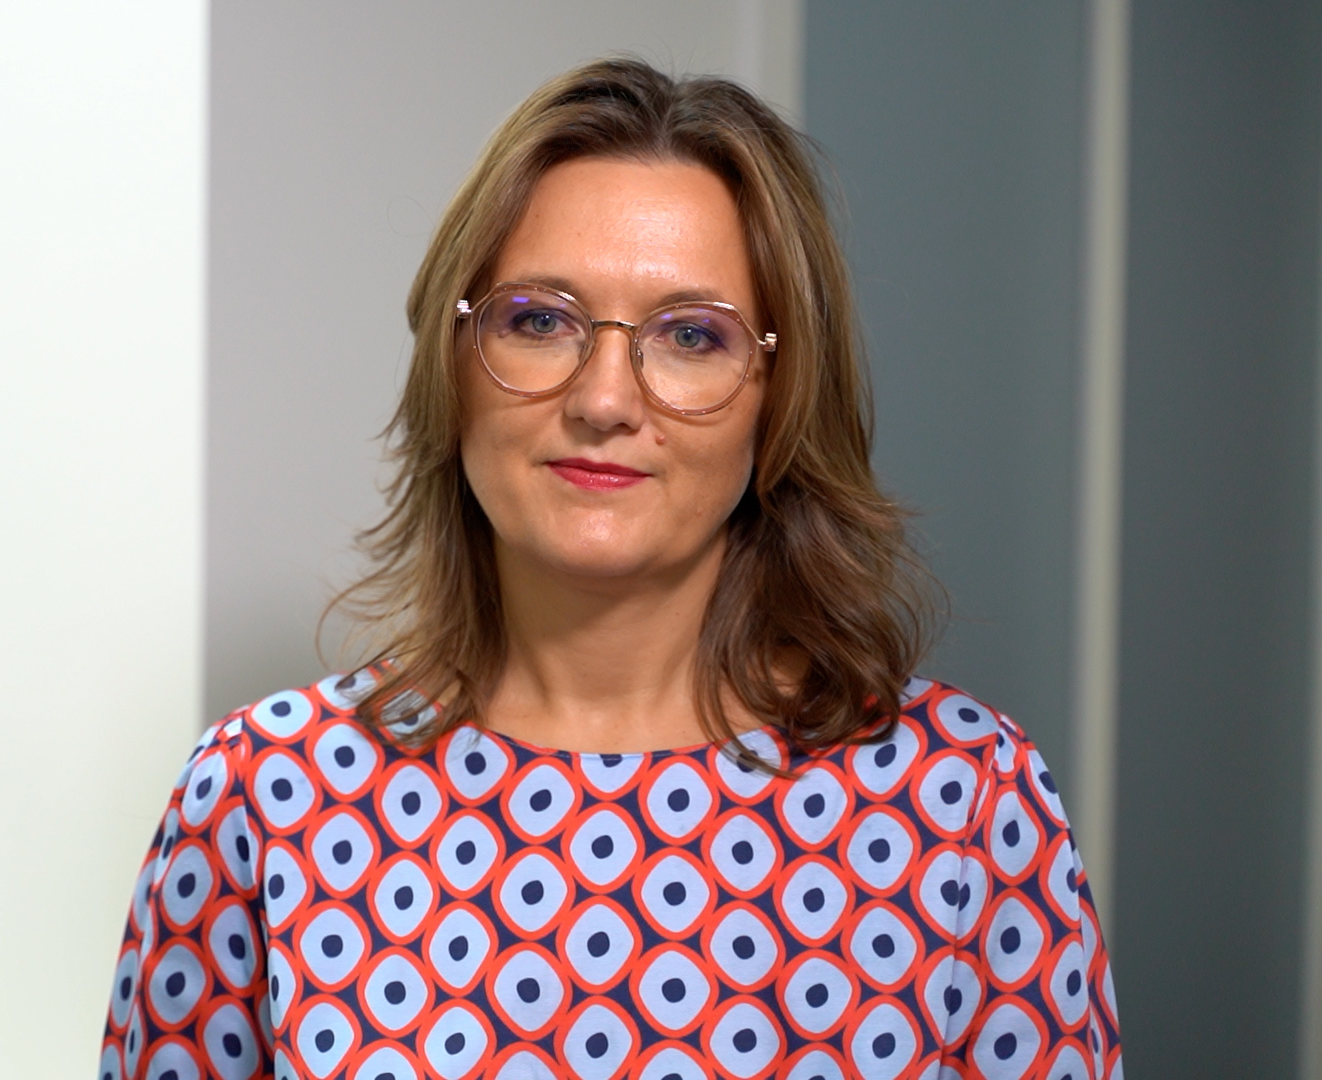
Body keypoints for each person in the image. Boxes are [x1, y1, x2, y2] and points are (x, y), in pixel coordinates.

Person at [99, 58, 1120, 1080]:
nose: (603, 400)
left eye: (692, 336)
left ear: (782, 396)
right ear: (454, 364)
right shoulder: (263, 796)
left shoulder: (965, 806)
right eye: (540, 321)